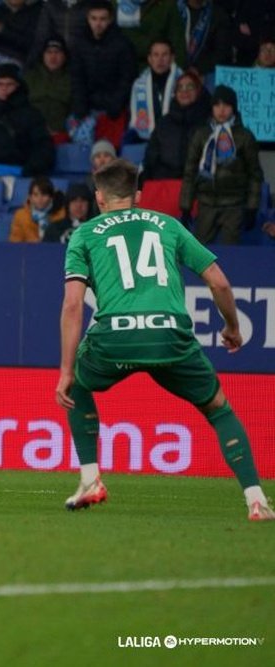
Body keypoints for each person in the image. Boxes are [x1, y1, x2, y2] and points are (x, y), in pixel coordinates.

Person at [56, 158, 273, 521]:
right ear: (138, 196)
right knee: (219, 409)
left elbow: (73, 305)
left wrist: (65, 370)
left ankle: (91, 479)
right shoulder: (169, 226)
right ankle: (256, 500)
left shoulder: (85, 234)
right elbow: (218, 281)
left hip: (115, 338)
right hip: (169, 335)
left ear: (99, 199)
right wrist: (233, 327)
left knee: (76, 383)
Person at [179, 84, 263, 245]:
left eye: (226, 105)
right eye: (217, 105)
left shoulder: (245, 137)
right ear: (212, 108)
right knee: (200, 253)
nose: (221, 109)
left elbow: (255, 174)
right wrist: (185, 205)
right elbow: (190, 172)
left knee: (231, 254)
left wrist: (252, 206)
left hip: (234, 205)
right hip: (206, 203)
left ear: (234, 108)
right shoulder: (201, 135)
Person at [68, 0, 138, 147]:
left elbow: (127, 78)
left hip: (114, 109)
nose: (98, 24)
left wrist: (115, 106)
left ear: (110, 19)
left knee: (109, 149)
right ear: (87, 18)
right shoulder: (79, 44)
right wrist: (81, 108)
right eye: (94, 18)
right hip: (88, 108)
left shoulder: (123, 44)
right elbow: (76, 78)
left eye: (102, 19)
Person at [0, 65, 55, 177]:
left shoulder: (31, 114)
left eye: (9, 84)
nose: (3, 88)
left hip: (17, 172)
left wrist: (29, 170)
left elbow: (43, 147)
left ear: (17, 86)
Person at [142, 70, 211, 180]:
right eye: (180, 88)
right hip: (165, 182)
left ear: (198, 91)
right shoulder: (164, 123)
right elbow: (151, 158)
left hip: (197, 183)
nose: (185, 91)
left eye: (190, 87)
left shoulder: (208, 122)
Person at [127, 38, 182, 143]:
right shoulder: (139, 85)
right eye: (156, 55)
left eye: (164, 55)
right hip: (146, 139)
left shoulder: (183, 82)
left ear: (172, 58)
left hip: (176, 139)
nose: (160, 60)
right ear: (149, 59)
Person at [24, 36, 73, 141]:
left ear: (65, 56)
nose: (53, 57)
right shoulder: (29, 77)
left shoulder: (72, 79)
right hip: (30, 130)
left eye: (57, 52)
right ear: (42, 55)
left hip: (59, 132)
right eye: (49, 52)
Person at [8, 176, 66, 242]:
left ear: (51, 197)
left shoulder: (62, 214)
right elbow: (14, 242)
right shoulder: (20, 215)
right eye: (35, 195)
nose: (40, 199)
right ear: (30, 197)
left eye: (44, 194)